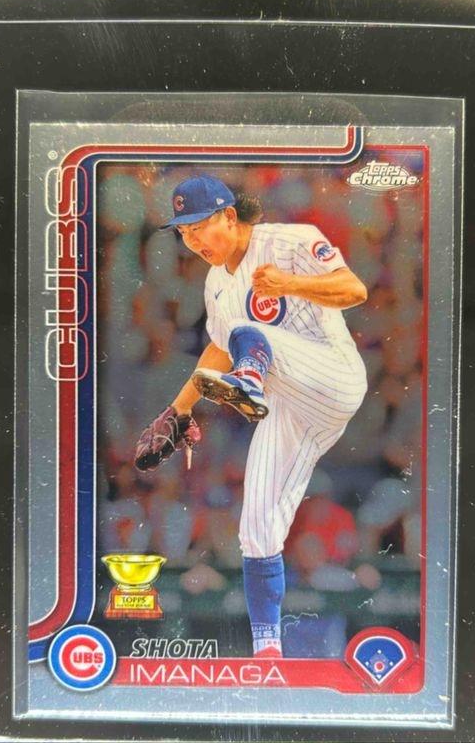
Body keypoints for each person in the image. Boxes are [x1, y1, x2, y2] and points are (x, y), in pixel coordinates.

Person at [137, 174, 368, 658]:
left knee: (248, 331)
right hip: (288, 403)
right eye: (184, 232)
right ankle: (268, 649)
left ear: (228, 216)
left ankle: (249, 382)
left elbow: (354, 290)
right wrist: (178, 410)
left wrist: (291, 284)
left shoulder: (289, 241)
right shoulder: (215, 284)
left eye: (199, 226)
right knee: (257, 530)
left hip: (332, 375)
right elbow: (219, 349)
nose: (192, 240)